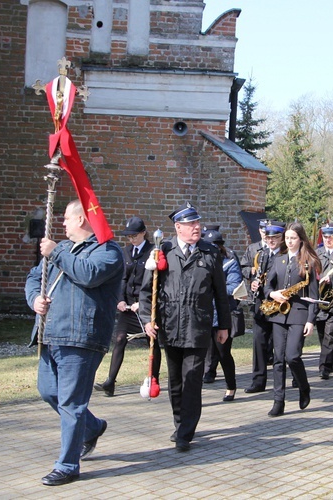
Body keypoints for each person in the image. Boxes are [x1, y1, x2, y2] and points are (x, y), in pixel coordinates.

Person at [25, 200, 123, 486]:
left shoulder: (108, 251)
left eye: (66, 218)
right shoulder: (63, 250)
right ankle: (91, 428)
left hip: (81, 337)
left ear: (81, 219)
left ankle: (68, 465)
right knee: (48, 392)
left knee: (71, 402)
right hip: (50, 333)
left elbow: (88, 275)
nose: (63, 223)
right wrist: (35, 300)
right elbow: (34, 279)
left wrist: (54, 252)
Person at [140, 201, 230, 452]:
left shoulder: (210, 252)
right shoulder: (163, 251)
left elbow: (220, 293)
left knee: (192, 380)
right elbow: (147, 290)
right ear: (178, 227)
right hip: (170, 326)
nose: (197, 227)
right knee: (176, 381)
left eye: (198, 223)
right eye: (191, 224)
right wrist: (147, 319)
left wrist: (223, 325)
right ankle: (179, 423)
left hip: (198, 326)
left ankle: (186, 432)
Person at [94, 216, 160, 397]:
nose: (131, 239)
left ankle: (153, 379)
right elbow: (121, 278)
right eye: (129, 237)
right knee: (120, 338)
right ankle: (110, 382)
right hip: (128, 307)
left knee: (152, 342)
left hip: (146, 307)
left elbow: (155, 281)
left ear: (143, 233)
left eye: (134, 236)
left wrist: (144, 303)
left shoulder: (152, 251)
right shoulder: (126, 252)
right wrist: (120, 300)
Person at [263, 222, 321, 416]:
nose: (289, 241)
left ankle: (304, 387)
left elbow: (314, 295)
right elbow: (267, 286)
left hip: (299, 314)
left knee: (292, 356)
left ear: (301, 239)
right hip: (279, 314)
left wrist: (311, 320)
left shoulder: (309, 261)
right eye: (287, 238)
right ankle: (278, 401)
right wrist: (272, 294)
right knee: (278, 358)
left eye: (293, 238)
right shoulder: (278, 259)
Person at [243, 221, 286, 393]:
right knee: (258, 343)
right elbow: (257, 274)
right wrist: (255, 283)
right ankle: (258, 380)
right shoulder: (262, 254)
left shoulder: (286, 255)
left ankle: (281, 382)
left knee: (280, 347)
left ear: (281, 238)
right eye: (268, 237)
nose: (271, 241)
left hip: (280, 305)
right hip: (262, 304)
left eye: (275, 237)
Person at [202, 229, 243, 401]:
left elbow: (233, 286)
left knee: (223, 353)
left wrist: (212, 289)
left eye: (215, 246)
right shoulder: (202, 261)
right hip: (204, 313)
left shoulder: (229, 262)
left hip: (222, 313)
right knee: (201, 353)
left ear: (220, 248)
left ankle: (231, 386)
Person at [315, 222, 333, 379]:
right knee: (321, 333)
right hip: (320, 299)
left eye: (331, 237)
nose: (328, 239)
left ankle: (324, 367)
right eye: (325, 237)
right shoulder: (317, 252)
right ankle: (331, 361)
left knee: (330, 333)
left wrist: (331, 277)